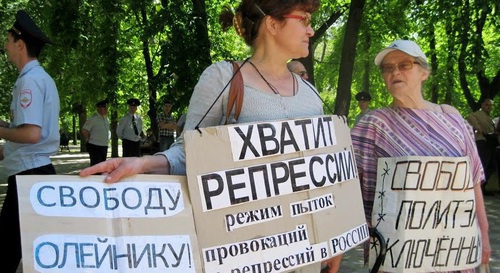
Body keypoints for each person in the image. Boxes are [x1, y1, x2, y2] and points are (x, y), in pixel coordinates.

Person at [82, 1, 340, 272]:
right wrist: (142, 164)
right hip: (242, 252)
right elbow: (190, 152)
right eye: (304, 20)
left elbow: (325, 178)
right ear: (273, 24)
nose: (311, 30)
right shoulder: (223, 79)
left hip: (305, 255)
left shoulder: (311, 96)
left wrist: (337, 234)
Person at [351, 40, 491, 273]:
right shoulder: (373, 125)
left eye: (404, 64)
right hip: (399, 255)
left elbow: (473, 181)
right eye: (387, 67)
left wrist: (483, 235)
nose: (395, 71)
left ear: (424, 72)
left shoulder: (452, 118)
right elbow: (347, 184)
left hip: (454, 249)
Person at [0, 10, 60, 273]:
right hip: (32, 172)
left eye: (8, 39)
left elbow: (32, 134)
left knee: (7, 252)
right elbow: (25, 132)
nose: (4, 45)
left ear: (20, 44)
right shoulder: (37, 78)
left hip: (29, 176)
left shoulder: (30, 82)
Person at [467, 98, 497, 194]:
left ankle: (482, 186)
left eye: (490, 105)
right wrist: (477, 127)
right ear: (482, 105)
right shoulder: (478, 114)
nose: (489, 107)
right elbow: (470, 117)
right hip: (481, 142)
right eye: (487, 105)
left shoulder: (489, 118)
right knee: (483, 164)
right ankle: (477, 188)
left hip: (490, 143)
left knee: (492, 165)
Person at [82, 99, 110, 166]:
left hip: (104, 145)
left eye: (106, 107)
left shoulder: (106, 119)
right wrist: (88, 139)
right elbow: (84, 130)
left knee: (102, 166)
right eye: (104, 107)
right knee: (96, 166)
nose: (106, 109)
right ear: (99, 108)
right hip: (95, 146)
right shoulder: (93, 119)